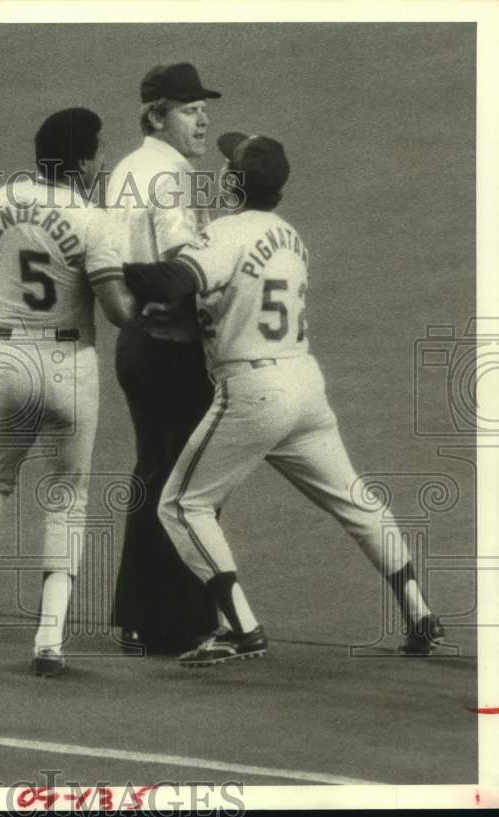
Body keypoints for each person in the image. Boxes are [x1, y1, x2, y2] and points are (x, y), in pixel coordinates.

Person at [123, 133, 445, 667]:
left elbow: (170, 279)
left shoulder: (226, 233)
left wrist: (110, 260)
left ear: (231, 182)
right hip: (304, 387)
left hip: (253, 392)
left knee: (181, 505)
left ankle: (241, 629)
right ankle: (419, 612)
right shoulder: (291, 237)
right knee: (356, 501)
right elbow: (236, 303)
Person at [0, 108, 136, 676]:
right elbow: (118, 311)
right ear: (77, 161)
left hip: (7, 355)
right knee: (67, 496)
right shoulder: (95, 219)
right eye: (98, 152)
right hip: (71, 361)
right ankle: (48, 640)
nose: (103, 162)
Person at [107, 63, 220, 654]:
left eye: (204, 107)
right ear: (156, 115)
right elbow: (183, 264)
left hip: (136, 345)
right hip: (175, 346)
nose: (202, 117)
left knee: (152, 471)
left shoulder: (125, 169)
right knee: (188, 483)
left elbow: (109, 261)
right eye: (188, 108)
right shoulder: (175, 176)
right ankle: (186, 619)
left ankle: (138, 615)